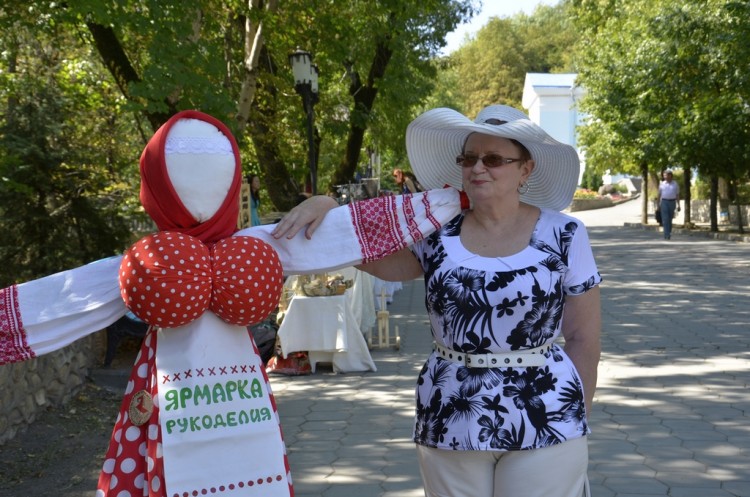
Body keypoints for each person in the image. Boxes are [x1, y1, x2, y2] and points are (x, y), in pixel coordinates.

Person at [278, 104, 602, 497]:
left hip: (545, 411)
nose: (477, 168)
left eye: (494, 159)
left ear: (525, 169)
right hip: (451, 409)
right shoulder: (435, 231)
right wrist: (330, 213)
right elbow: (363, 254)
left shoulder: (565, 233)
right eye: (469, 158)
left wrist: (577, 412)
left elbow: (583, 337)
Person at [657, 169, 680, 240]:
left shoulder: (675, 184)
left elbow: (677, 195)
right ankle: (666, 234)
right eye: (664, 175)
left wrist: (679, 205)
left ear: (670, 175)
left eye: (665, 175)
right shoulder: (662, 184)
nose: (664, 176)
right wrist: (658, 205)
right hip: (664, 202)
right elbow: (659, 195)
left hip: (672, 202)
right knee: (665, 219)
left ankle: (668, 232)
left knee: (670, 219)